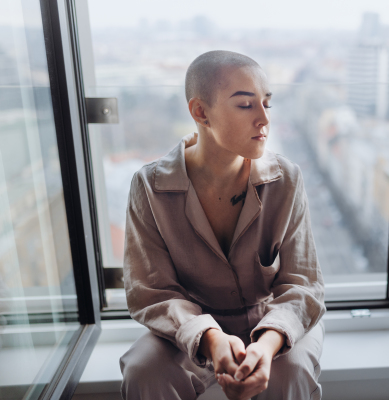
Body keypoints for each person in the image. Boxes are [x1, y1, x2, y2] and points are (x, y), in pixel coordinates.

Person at [119, 50, 326, 400]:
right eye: (246, 106)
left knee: (289, 372)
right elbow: (150, 292)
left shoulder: (286, 180)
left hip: (273, 319)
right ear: (201, 112)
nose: (263, 119)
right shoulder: (150, 187)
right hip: (190, 325)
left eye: (266, 103)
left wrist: (268, 343)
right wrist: (209, 337)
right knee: (144, 370)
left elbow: (302, 285)